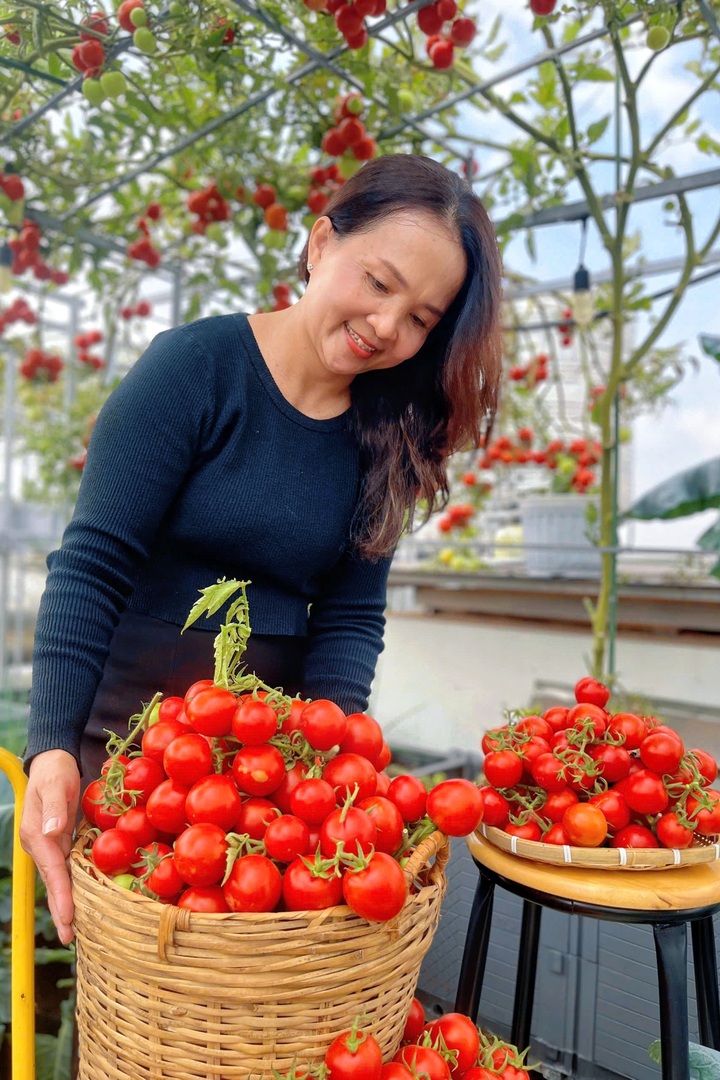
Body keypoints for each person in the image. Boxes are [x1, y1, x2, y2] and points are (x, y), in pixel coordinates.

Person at [19, 152, 503, 944]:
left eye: (421, 318)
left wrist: (327, 768)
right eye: (379, 284)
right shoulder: (195, 370)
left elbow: (350, 618)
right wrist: (52, 747)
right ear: (320, 245)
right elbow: (92, 565)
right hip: (138, 754)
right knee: (140, 1005)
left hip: (270, 773)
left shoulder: (387, 435)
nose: (387, 326)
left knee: (260, 1008)